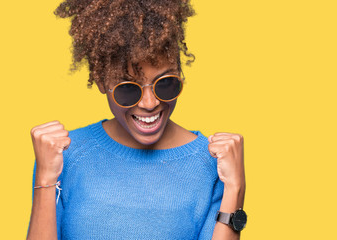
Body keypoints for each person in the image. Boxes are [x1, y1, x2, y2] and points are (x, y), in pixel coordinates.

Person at [26, 0, 246, 239]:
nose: (150, 103)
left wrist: (235, 187)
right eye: (129, 89)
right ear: (101, 81)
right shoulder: (64, 154)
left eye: (165, 84)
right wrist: (45, 178)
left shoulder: (212, 161)